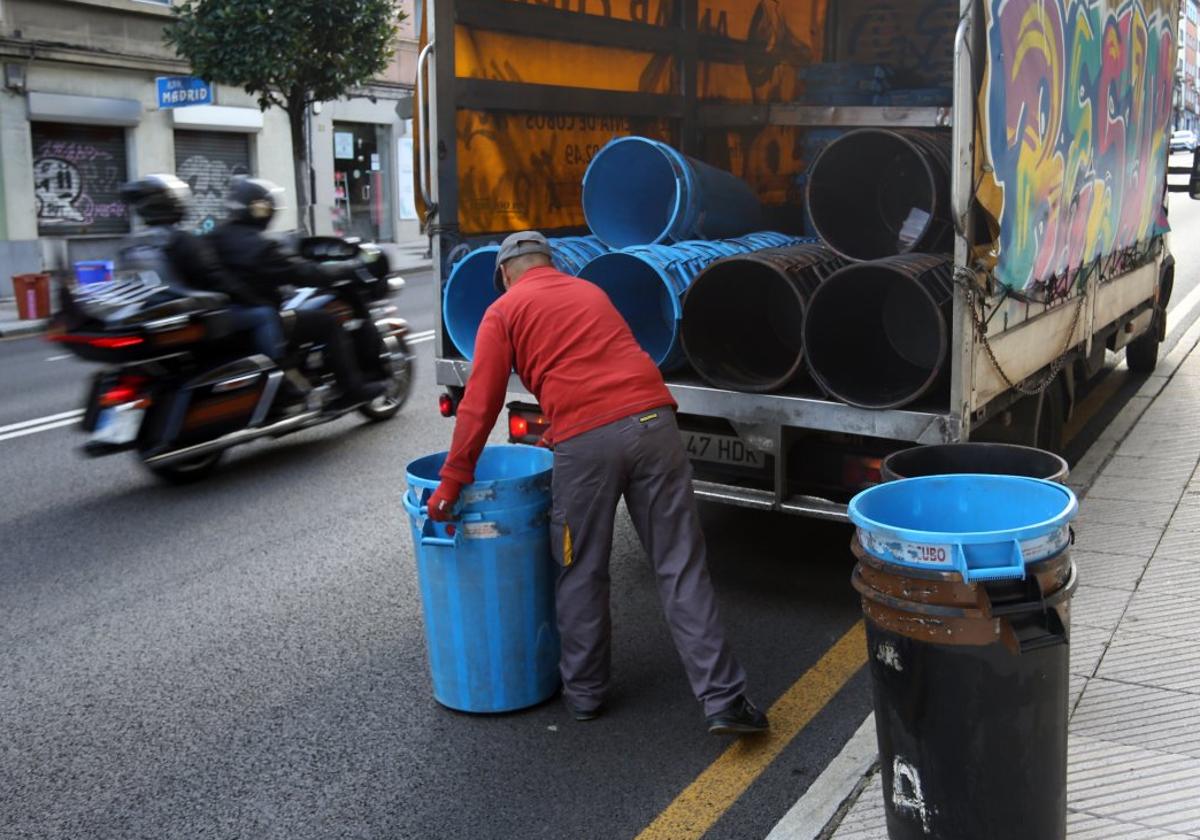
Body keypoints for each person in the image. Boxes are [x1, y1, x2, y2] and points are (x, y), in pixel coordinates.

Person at [427, 230, 768, 735]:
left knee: (581, 568)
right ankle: (724, 700)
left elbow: (480, 404)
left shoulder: (504, 311)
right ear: (552, 262)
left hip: (587, 444)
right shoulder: (590, 291)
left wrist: (452, 483)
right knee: (680, 565)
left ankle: (585, 694)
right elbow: (604, 365)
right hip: (654, 424)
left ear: (504, 275)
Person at [208, 177, 383, 409]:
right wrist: (344, 269)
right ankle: (352, 389)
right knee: (326, 322)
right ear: (257, 209)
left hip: (230, 317)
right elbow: (301, 272)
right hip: (261, 314)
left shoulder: (214, 237)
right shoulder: (259, 247)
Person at [119, 175, 284, 362]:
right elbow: (217, 279)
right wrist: (255, 300)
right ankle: (278, 370)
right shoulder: (183, 240)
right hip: (190, 316)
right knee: (265, 314)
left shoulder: (131, 243)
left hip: (152, 315)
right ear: (174, 204)